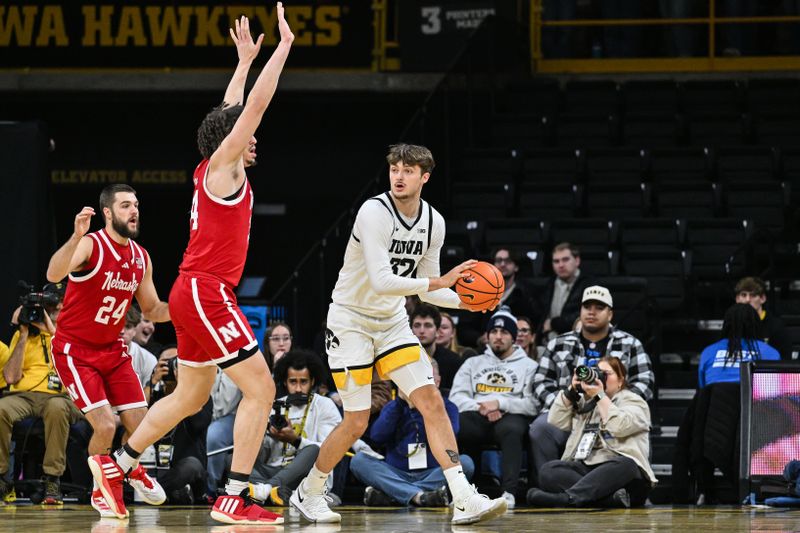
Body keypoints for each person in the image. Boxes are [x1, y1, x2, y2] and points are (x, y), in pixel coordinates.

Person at [89, 9, 294, 525]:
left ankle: (117, 466)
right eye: (245, 133)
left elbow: (229, 109)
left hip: (190, 290)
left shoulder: (210, 165)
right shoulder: (224, 165)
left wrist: (244, 61)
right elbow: (251, 110)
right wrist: (282, 48)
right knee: (262, 388)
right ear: (230, 140)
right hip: (206, 292)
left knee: (190, 393)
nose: (254, 137)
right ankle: (235, 495)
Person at [290, 143, 507, 526]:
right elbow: (382, 279)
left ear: (425, 176)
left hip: (391, 323)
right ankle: (309, 491)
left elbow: (427, 291)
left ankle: (463, 497)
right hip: (350, 320)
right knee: (355, 420)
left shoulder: (433, 222)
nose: (399, 176)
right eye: (394, 169)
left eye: (408, 170)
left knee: (431, 401)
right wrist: (443, 280)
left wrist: (466, 303)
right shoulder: (373, 212)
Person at [46, 183, 170, 518]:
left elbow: (154, 309)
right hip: (75, 350)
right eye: (126, 205)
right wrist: (75, 237)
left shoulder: (141, 257)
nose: (134, 211)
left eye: (137, 205)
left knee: (143, 424)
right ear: (108, 213)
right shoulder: (91, 244)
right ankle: (104, 490)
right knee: (105, 426)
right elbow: (54, 273)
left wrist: (189, 307)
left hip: (112, 350)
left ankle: (128, 468)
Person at [529, 285, 654, 481]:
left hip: (611, 412)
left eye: (599, 307)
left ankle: (629, 484)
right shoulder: (558, 343)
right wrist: (569, 401)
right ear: (580, 311)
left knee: (634, 426)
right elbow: (540, 381)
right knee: (540, 428)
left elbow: (644, 382)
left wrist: (613, 402)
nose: (592, 312)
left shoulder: (630, 343)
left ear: (610, 314)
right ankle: (552, 483)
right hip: (569, 414)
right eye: (587, 306)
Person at [249, 350, 378, 506]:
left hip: (308, 476)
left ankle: (265, 490)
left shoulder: (325, 405)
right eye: (292, 382)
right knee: (234, 457)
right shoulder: (275, 405)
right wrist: (262, 437)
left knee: (313, 450)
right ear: (284, 382)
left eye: (303, 382)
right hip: (276, 470)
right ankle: (280, 494)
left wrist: (296, 440)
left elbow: (329, 449)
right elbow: (262, 455)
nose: (297, 388)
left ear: (312, 381)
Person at [526, 357, 656, 508]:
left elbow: (619, 427)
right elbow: (556, 420)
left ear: (620, 380)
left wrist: (600, 396)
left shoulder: (634, 401)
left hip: (624, 476)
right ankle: (609, 501)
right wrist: (571, 391)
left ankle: (568, 499)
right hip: (590, 470)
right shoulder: (587, 404)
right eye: (597, 373)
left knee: (628, 464)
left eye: (606, 374)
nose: (600, 377)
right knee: (548, 470)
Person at [351, 358, 475, 507]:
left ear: (437, 382)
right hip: (396, 473)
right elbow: (377, 436)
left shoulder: (448, 407)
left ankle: (396, 495)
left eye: (425, 378)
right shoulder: (394, 406)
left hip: (434, 472)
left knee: (465, 462)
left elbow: (450, 436)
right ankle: (422, 496)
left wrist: (421, 408)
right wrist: (399, 403)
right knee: (358, 461)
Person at [449, 308, 539, 509]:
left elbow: (532, 404)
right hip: (477, 413)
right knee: (459, 425)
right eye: (494, 332)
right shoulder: (473, 363)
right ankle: (463, 491)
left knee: (512, 429)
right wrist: (482, 407)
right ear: (487, 336)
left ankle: (509, 493)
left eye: (504, 332)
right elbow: (456, 397)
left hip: (510, 415)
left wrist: (500, 403)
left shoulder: (529, 366)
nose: (498, 337)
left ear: (514, 337)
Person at [0, 296, 83, 505]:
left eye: (54, 309)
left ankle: (52, 479)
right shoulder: (23, 335)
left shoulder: (72, 334)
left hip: (61, 397)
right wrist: (23, 335)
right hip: (23, 396)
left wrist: (51, 330)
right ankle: (2, 476)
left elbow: (73, 366)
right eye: (47, 310)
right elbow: (10, 377)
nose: (49, 313)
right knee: (1, 408)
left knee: (56, 408)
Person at [147, 346, 212, 504]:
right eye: (166, 363)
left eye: (176, 362)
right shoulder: (154, 395)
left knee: (192, 466)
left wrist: (184, 387)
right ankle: (164, 492)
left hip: (188, 471)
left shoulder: (200, 395)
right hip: (157, 469)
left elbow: (198, 424)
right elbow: (137, 418)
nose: (171, 367)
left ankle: (151, 492)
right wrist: (152, 382)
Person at [698, 303, 781, 388]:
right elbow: (775, 394)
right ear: (756, 324)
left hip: (716, 400)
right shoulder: (771, 353)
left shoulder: (708, 352)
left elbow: (703, 391)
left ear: (726, 325)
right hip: (757, 401)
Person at [537, 243, 594, 343]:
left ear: (577, 261)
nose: (561, 265)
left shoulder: (590, 284)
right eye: (556, 261)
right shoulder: (549, 285)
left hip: (578, 341)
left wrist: (553, 323)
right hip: (548, 341)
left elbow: (588, 316)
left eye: (565, 259)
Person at [734, 277, 792, 361]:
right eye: (743, 295)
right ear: (737, 299)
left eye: (753, 295)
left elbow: (785, 361)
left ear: (763, 298)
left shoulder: (776, 326)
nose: (747, 300)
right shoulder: (732, 325)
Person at [410, 303, 464, 394]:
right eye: (417, 325)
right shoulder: (402, 360)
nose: (422, 331)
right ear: (410, 330)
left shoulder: (453, 361)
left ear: (437, 331)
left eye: (428, 325)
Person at [206, 368, 241, 498]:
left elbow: (222, 406)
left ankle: (211, 489)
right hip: (202, 409)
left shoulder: (232, 355)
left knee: (214, 435)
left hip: (231, 415)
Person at [121, 307, 157, 394]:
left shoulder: (149, 359)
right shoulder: (95, 351)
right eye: (118, 325)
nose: (121, 331)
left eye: (128, 326)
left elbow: (146, 402)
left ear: (135, 330)